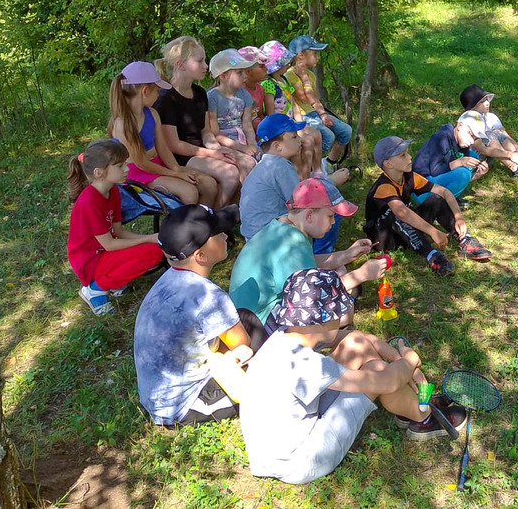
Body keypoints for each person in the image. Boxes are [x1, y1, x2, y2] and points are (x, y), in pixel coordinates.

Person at [239, 267, 469, 484]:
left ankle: (411, 408)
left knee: (355, 344)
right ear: (322, 320)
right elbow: (385, 381)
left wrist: (400, 360)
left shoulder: (287, 336)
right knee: (379, 371)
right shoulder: (305, 365)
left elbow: (354, 336)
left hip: (273, 451)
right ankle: (423, 416)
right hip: (299, 461)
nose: (342, 318)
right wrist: (410, 361)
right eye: (338, 313)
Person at [133, 203, 262, 426]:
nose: (224, 235)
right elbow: (242, 344)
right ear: (200, 255)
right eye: (217, 234)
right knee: (265, 357)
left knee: (244, 317)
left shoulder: (167, 280)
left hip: (157, 395)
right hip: (185, 405)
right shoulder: (209, 297)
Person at [229, 178, 380, 327]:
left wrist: (347, 255)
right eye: (330, 216)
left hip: (248, 317)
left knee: (338, 271)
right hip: (260, 326)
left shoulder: (286, 225)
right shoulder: (293, 244)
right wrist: (362, 274)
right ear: (309, 215)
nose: (333, 222)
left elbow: (306, 264)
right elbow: (312, 295)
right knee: (344, 314)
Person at [364, 136, 492, 277]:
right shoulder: (383, 186)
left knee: (436, 199)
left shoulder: (409, 176)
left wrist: (459, 217)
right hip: (386, 239)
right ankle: (432, 255)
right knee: (396, 214)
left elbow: (444, 191)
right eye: (403, 155)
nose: (410, 157)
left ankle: (463, 238)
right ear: (388, 164)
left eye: (407, 152)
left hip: (405, 226)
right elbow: (402, 213)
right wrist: (433, 231)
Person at [66, 139, 166, 315]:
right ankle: (95, 289)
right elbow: (110, 244)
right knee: (154, 251)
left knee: (152, 248)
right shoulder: (89, 201)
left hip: (104, 252)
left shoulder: (113, 191)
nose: (127, 169)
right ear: (99, 173)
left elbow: (119, 232)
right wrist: (149, 238)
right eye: (120, 166)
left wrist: (150, 239)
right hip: (89, 260)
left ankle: (113, 281)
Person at [107, 61, 217, 205]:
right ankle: (186, 225)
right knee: (189, 193)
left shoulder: (152, 114)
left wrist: (178, 169)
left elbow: (163, 149)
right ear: (145, 91)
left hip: (158, 165)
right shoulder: (122, 124)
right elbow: (141, 163)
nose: (159, 95)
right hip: (137, 175)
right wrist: (175, 174)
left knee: (209, 184)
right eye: (157, 91)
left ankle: (203, 223)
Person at [154, 36, 244, 207]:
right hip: (181, 157)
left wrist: (218, 149)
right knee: (230, 175)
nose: (205, 66)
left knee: (241, 163)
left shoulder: (200, 93)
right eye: (200, 61)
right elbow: (174, 145)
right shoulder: (167, 98)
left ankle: (221, 217)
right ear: (181, 65)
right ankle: (213, 221)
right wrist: (211, 154)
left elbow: (205, 131)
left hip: (200, 151)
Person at [238, 114, 340, 252]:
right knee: (331, 210)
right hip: (269, 239)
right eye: (294, 137)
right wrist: (332, 181)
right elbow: (303, 202)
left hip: (255, 238)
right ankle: (317, 257)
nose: (300, 139)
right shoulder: (280, 166)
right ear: (277, 146)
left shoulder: (266, 165)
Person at [260, 39, 338, 182]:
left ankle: (318, 172)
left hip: (291, 123)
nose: (288, 63)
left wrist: (300, 124)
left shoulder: (284, 79)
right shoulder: (269, 84)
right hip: (280, 128)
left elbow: (293, 103)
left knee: (316, 135)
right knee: (306, 142)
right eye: (284, 61)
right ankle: (303, 179)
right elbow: (271, 114)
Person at [286, 35, 353, 176]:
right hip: (302, 116)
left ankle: (329, 163)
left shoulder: (310, 75)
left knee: (345, 131)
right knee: (327, 136)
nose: (317, 57)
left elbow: (315, 98)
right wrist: (303, 77)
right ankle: (309, 167)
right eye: (315, 53)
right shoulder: (290, 75)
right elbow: (304, 98)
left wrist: (322, 114)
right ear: (300, 55)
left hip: (314, 113)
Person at [458, 84, 518, 179]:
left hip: (492, 153)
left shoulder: (491, 117)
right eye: (482, 102)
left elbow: (506, 136)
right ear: (472, 107)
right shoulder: (469, 120)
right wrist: (510, 155)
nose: (487, 103)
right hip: (474, 156)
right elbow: (484, 149)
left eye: (487, 99)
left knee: (497, 133)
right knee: (491, 135)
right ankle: (515, 168)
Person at [411, 117, 488, 204]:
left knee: (473, 156)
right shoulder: (441, 138)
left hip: (434, 182)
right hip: (420, 188)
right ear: (459, 125)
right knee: (463, 174)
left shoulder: (462, 143)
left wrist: (476, 175)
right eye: (470, 134)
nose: (471, 141)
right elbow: (435, 171)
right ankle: (439, 206)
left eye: (475, 139)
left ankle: (449, 198)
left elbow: (456, 178)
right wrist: (460, 162)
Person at [207, 48, 260, 167]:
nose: (245, 75)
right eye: (239, 72)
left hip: (242, 140)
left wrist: (252, 144)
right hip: (224, 144)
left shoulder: (244, 95)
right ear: (223, 76)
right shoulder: (212, 97)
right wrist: (242, 148)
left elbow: (247, 124)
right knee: (246, 164)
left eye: (245, 71)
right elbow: (215, 133)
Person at [236, 45, 269, 130]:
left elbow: (260, 114)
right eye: (261, 66)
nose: (266, 69)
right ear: (248, 71)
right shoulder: (238, 92)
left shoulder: (260, 89)